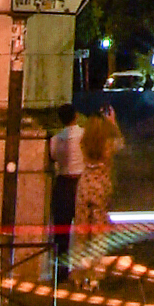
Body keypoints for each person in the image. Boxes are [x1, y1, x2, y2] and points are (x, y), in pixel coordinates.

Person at [47, 106, 87, 290]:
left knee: (61, 229)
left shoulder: (56, 139)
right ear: (76, 116)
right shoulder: (84, 135)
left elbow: (54, 156)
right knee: (82, 229)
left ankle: (61, 271)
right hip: (80, 182)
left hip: (63, 183)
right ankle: (80, 273)